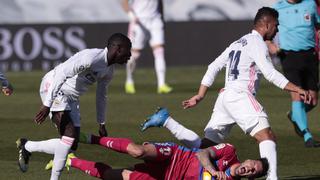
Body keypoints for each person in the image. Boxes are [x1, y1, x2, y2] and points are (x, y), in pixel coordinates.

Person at [141, 7, 312, 180]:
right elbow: (270, 73)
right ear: (266, 24)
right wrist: (297, 89)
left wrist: (200, 95)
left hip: (225, 98)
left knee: (204, 146)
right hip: (240, 95)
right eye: (276, 25)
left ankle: (167, 121)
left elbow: (213, 66)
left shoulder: (237, 42)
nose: (277, 30)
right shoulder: (257, 43)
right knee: (266, 136)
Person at [16, 33, 132, 180]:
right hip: (54, 87)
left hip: (71, 97)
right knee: (69, 135)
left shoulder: (108, 71)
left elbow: (101, 95)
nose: (130, 55)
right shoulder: (91, 58)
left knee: (71, 144)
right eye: (128, 51)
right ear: (118, 49)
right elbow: (61, 75)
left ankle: (27, 146)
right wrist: (47, 104)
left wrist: (101, 122)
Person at [51, 134, 269, 180]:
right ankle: (91, 138)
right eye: (253, 164)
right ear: (250, 159)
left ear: (250, 177)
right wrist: (213, 171)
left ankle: (71, 160)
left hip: (167, 179)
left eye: (253, 172)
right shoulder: (229, 152)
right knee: (138, 150)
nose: (249, 168)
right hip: (175, 156)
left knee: (114, 176)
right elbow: (203, 153)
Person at [267, 0, 320, 147]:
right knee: (297, 95)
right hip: (289, 56)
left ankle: (294, 115)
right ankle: (307, 136)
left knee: (313, 100)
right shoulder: (278, 8)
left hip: (310, 55)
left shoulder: (310, 4)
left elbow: (318, 25)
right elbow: (266, 32)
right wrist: (270, 44)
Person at [121, 0, 172, 94]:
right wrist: (130, 14)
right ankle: (129, 80)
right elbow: (124, 2)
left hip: (155, 19)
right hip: (139, 20)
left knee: (159, 51)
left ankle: (161, 84)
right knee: (134, 55)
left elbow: (160, 2)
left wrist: (162, 17)